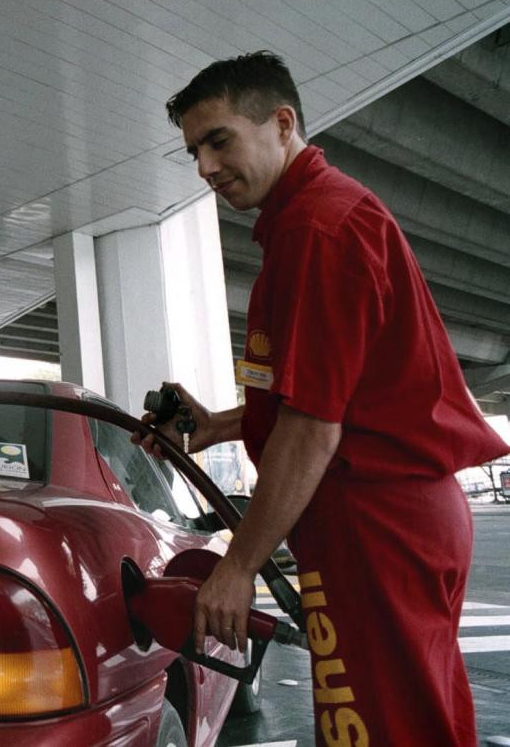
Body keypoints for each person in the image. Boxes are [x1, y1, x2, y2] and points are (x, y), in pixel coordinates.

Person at [140, 51, 509, 745]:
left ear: (282, 124)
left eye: (219, 140)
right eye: (194, 150)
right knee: (418, 720)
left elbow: (315, 429)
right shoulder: (311, 219)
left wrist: (237, 566)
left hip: (375, 520)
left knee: (372, 728)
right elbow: (325, 397)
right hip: (390, 517)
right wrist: (216, 426)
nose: (205, 168)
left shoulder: (318, 228)